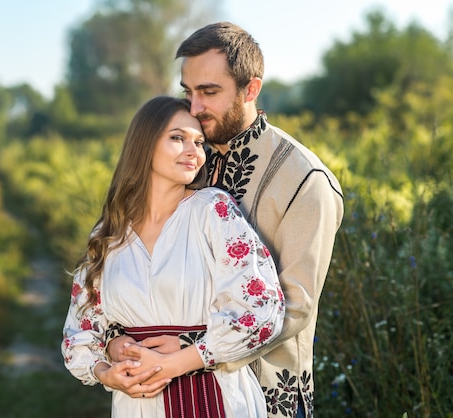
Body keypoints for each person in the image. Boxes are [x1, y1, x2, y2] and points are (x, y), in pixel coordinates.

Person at [107, 23, 344, 418]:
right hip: (163, 393)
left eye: (209, 92)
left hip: (268, 395)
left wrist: (191, 349)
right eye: (189, 91)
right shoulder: (187, 158)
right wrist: (121, 343)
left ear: (250, 90)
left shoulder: (306, 182)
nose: (195, 107)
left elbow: (294, 307)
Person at [61, 95, 285, 418]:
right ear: (145, 143)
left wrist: (178, 361)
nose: (194, 152)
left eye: (199, 141)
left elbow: (263, 310)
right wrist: (104, 370)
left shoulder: (213, 211)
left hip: (216, 399)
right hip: (139, 404)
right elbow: (79, 334)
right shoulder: (109, 233)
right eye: (178, 138)